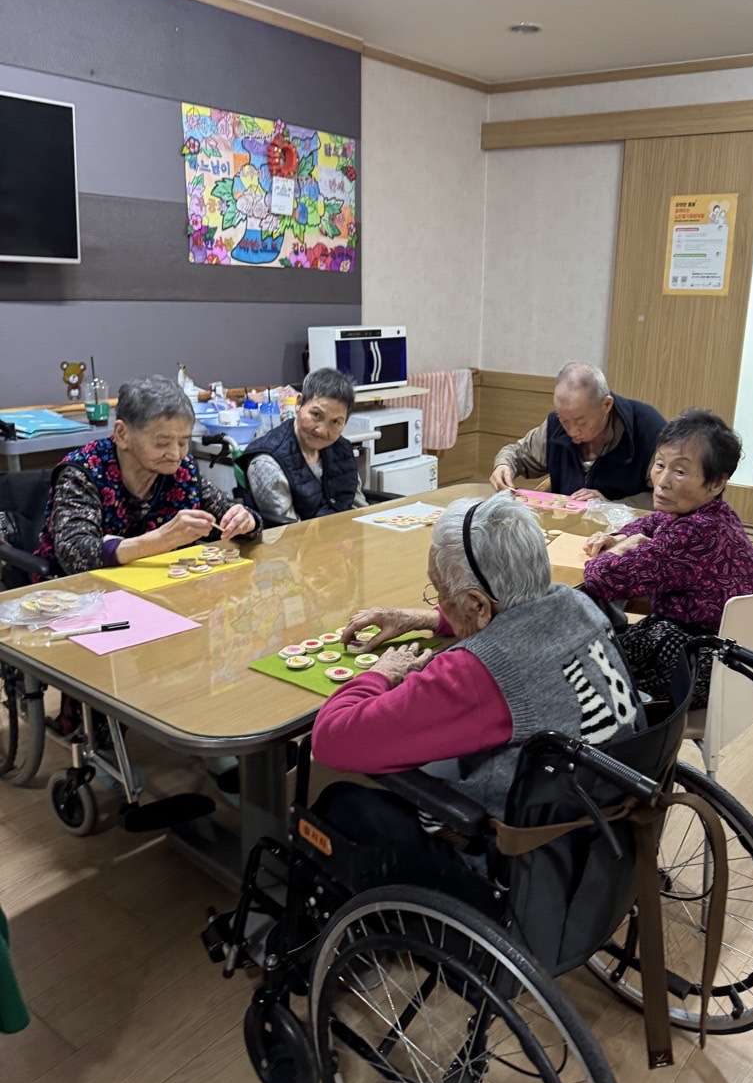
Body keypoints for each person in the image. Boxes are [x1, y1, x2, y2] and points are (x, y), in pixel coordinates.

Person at [311, 494, 643, 861]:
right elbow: (515, 617)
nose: (439, 601)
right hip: (604, 828)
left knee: (338, 802)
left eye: (441, 592)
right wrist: (423, 618)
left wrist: (380, 673)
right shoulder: (576, 602)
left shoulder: (476, 673)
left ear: (478, 605)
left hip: (513, 857)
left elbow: (330, 740)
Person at [582, 408, 753, 708]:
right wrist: (617, 537)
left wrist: (616, 551)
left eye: (679, 471)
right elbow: (651, 522)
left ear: (716, 482)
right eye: (659, 465)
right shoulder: (712, 513)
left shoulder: (693, 535)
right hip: (724, 658)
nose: (662, 481)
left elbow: (601, 579)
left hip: (697, 665)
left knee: (577, 662)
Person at [36, 374, 260, 576]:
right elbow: (76, 555)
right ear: (122, 434)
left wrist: (246, 521)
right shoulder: (83, 472)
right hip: (81, 595)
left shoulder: (182, 470)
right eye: (162, 442)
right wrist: (161, 539)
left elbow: (230, 515)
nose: (175, 454)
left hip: (159, 585)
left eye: (183, 442)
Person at [489, 362, 665, 504]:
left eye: (580, 421)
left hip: (627, 533)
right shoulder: (555, 426)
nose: (571, 431)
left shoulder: (648, 429)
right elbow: (517, 454)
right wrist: (503, 466)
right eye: (564, 420)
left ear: (606, 405)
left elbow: (667, 497)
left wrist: (612, 506)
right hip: (566, 528)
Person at [238, 368, 364, 522]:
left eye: (335, 422)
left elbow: (360, 507)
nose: (322, 430)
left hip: (346, 534)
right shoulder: (267, 463)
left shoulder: (342, 448)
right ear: (298, 404)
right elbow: (290, 530)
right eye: (316, 415)